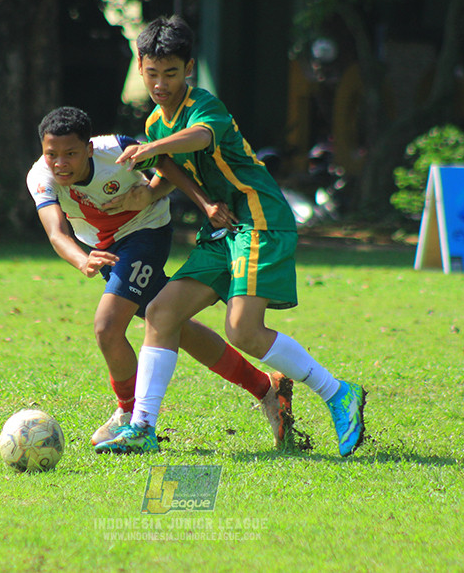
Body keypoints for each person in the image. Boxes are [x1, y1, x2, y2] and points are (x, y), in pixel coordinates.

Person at [94, 15, 367, 456]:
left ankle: (338, 393)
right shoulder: (154, 126)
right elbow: (169, 177)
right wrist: (142, 197)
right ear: (140, 66)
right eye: (152, 73)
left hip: (259, 218)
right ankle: (142, 427)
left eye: (171, 73)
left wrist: (153, 150)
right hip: (222, 229)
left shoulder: (204, 107)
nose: (160, 84)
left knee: (243, 330)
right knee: (162, 313)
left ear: (189, 69)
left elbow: (199, 139)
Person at [26, 106, 296, 449]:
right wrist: (82, 260)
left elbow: (169, 166)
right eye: (52, 154)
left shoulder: (116, 150)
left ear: (90, 149)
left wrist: (174, 197)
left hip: (145, 231)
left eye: (70, 154)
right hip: (104, 250)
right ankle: (265, 387)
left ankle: (128, 414)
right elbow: (56, 232)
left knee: (107, 327)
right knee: (171, 324)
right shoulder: (41, 177)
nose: (60, 163)